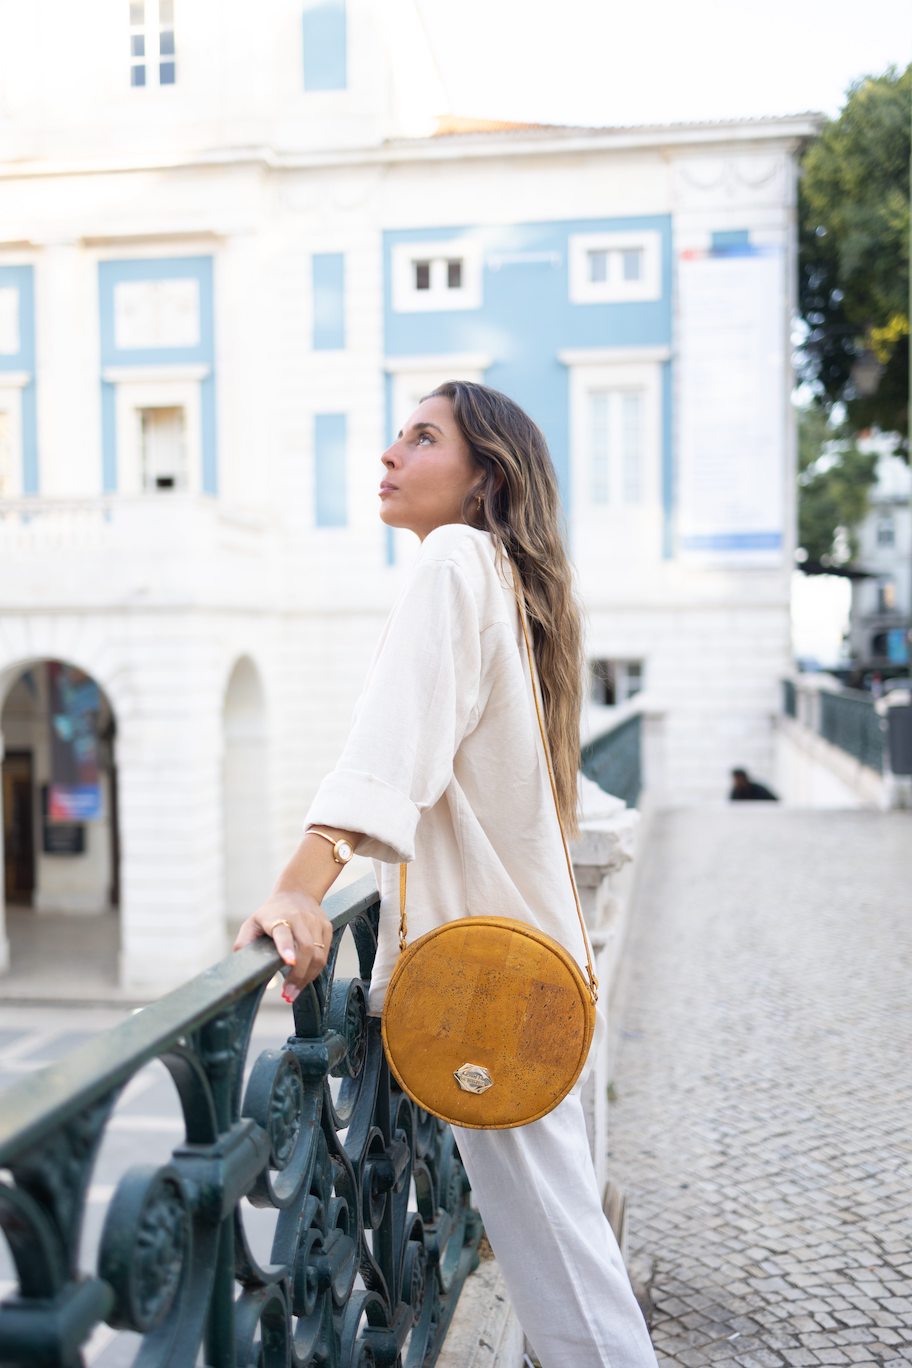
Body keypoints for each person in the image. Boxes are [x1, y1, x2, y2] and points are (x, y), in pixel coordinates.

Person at [234, 380, 659, 1367]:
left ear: (484, 479)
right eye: (395, 435)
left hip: (487, 987)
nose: (390, 455)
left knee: (568, 1285)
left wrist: (303, 881)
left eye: (423, 438)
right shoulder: (506, 578)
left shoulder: (456, 561)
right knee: (569, 1254)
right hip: (528, 965)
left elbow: (393, 748)